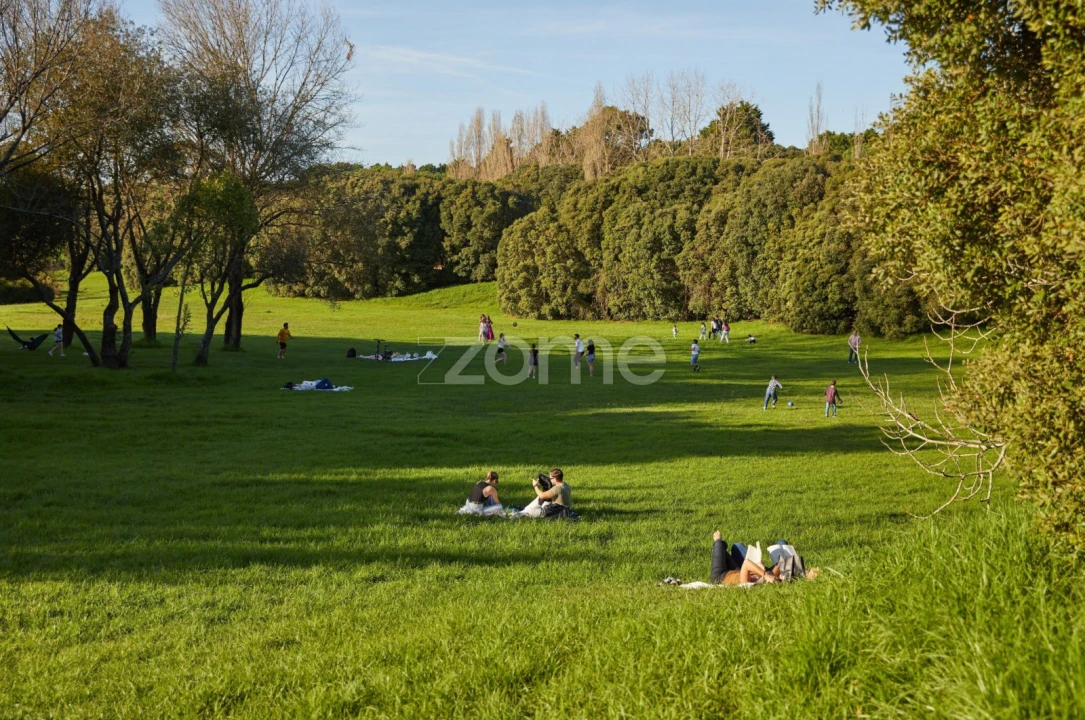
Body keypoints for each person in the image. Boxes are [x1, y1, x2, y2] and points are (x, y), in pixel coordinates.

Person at [710, 531, 778, 585]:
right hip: (736, 571)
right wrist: (761, 568)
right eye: (759, 577)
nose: (757, 577)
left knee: (719, 544)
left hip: (719, 576)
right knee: (736, 546)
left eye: (757, 578)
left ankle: (718, 542)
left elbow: (746, 563)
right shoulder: (753, 576)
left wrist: (765, 575)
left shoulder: (746, 581)